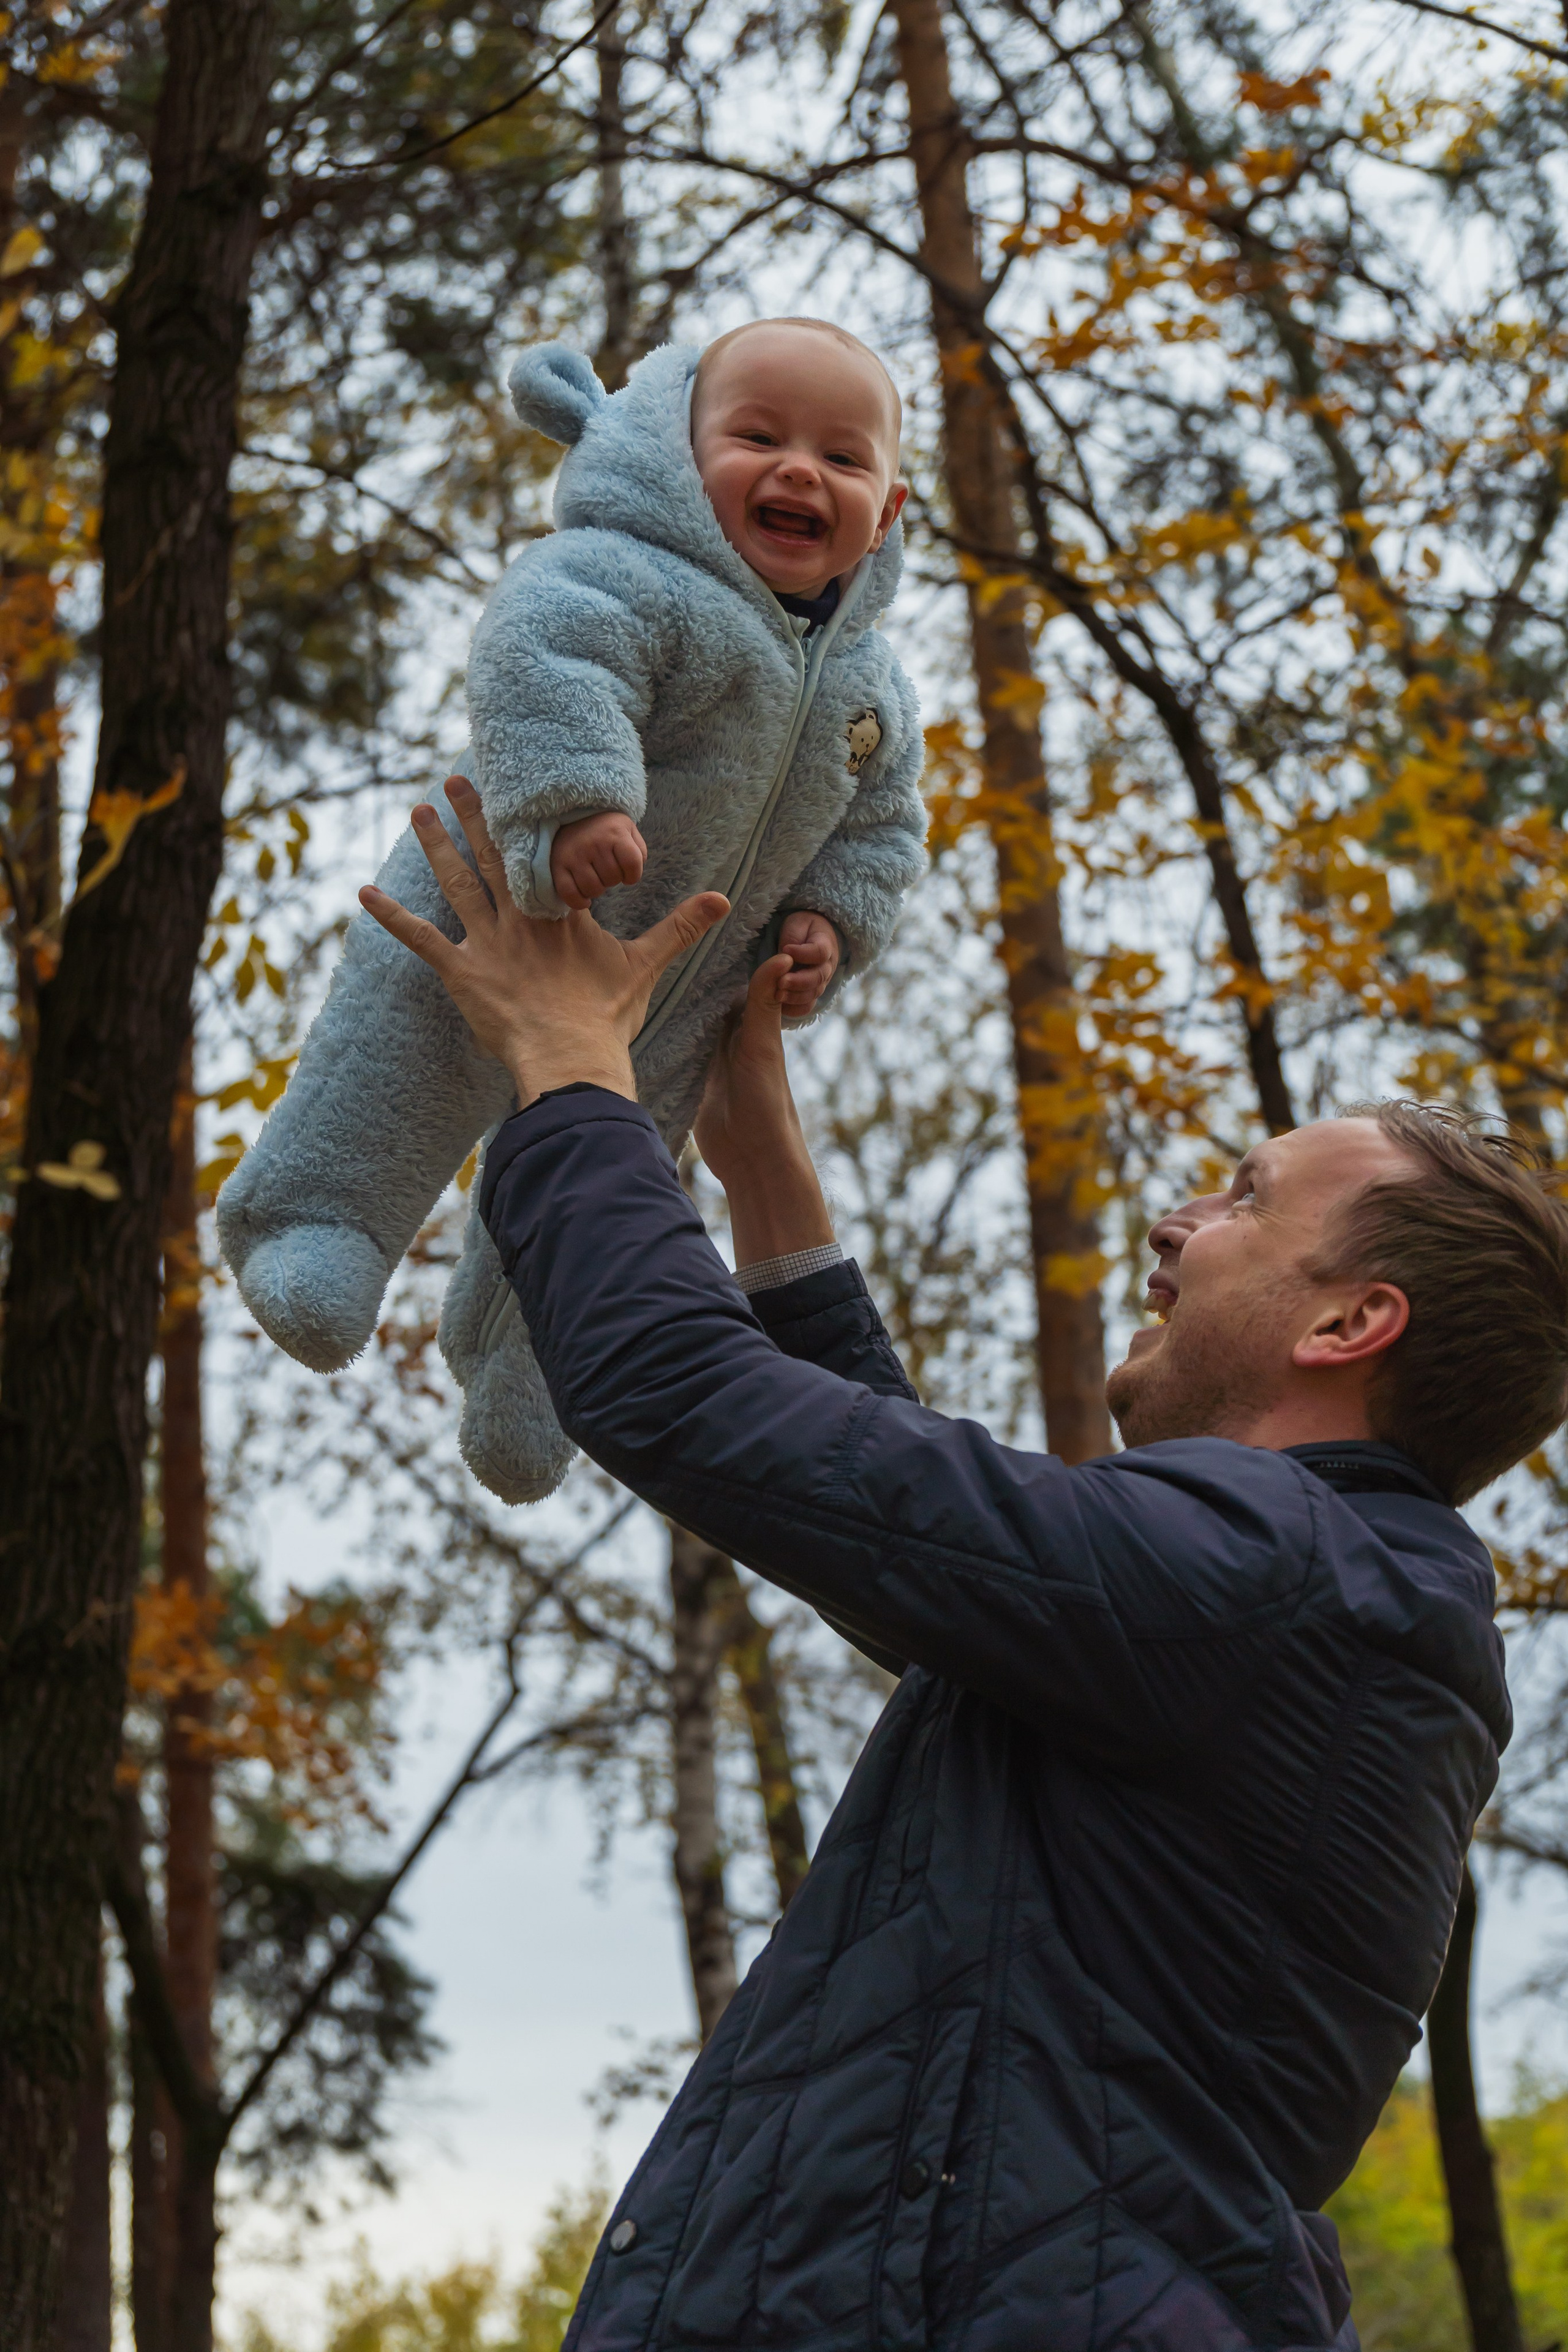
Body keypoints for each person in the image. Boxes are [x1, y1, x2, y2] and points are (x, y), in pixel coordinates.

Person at [361, 786, 1568, 2352]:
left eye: (1245, 1201)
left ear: (1346, 1326)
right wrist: (763, 1167)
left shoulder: (1281, 1578)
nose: (1177, 1221)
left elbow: (689, 1399)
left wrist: (569, 1068)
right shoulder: (1299, 1597)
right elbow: (925, 1541)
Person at [218, 318, 925, 1506]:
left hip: (671, 987)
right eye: (756, 437)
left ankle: (530, 1358)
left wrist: (829, 925)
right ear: (669, 452)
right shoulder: (625, 573)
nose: (800, 469)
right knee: (397, 1068)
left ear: (888, 510)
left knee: (617, 1173)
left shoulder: (873, 689)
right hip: (499, 905)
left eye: (842, 459)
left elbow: (882, 828)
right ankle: (317, 1218)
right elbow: (545, 657)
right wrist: (577, 801)